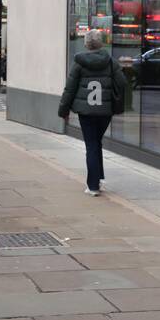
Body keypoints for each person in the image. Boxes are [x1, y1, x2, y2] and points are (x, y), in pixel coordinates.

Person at [58, 28, 126, 196]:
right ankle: (99, 177)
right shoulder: (111, 62)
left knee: (92, 145)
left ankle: (93, 185)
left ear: (86, 44)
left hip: (86, 112)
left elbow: (70, 89)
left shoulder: (79, 63)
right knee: (97, 142)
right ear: (101, 43)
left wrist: (63, 110)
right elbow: (123, 83)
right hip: (105, 111)